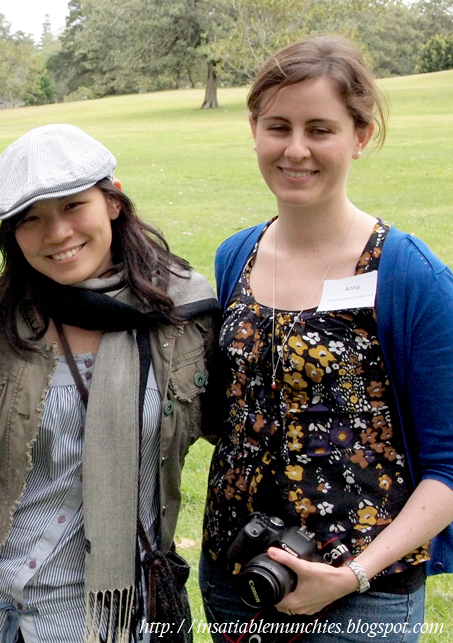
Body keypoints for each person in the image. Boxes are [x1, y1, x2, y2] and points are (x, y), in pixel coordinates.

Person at [0, 124, 220, 643]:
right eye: (30, 219)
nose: (56, 233)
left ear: (113, 201)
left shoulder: (185, 316)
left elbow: (242, 437)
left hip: (103, 604)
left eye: (73, 207)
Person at [200, 35, 453, 642]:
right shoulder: (237, 255)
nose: (295, 150)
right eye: (277, 126)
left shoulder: (409, 275)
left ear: (360, 137)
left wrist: (355, 575)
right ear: (254, 129)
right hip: (237, 579)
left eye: (320, 129)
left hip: (359, 599)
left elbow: (447, 468)